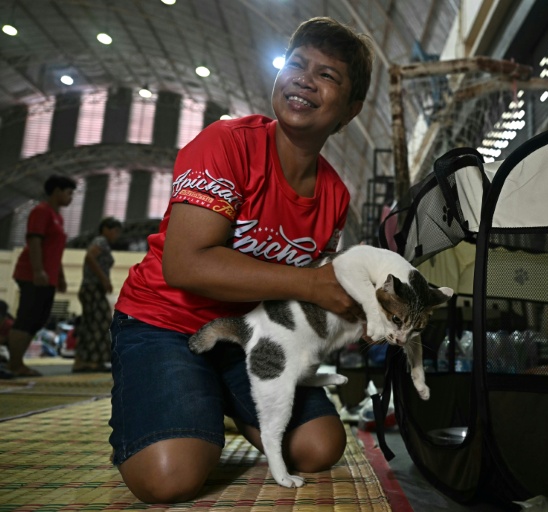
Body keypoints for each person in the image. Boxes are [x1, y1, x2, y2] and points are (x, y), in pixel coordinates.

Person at [109, 17, 374, 503]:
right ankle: (181, 395)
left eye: (327, 75)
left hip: (249, 335)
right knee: (171, 478)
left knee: (319, 447)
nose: (303, 78)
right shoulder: (227, 143)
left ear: (350, 111)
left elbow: (305, 297)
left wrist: (360, 313)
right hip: (165, 322)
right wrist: (313, 285)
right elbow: (185, 266)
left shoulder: (335, 195)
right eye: (296, 64)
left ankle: (222, 394)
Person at [6, 174, 76, 377]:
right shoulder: (41, 211)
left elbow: (55, 251)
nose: (71, 198)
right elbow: (34, 241)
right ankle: (15, 364)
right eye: (68, 193)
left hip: (49, 277)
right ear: (56, 192)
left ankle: (17, 362)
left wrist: (60, 276)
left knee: (39, 319)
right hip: (32, 273)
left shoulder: (58, 217)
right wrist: (38, 270)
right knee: (26, 317)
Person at [73, 217, 122, 373]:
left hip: (92, 287)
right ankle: (91, 361)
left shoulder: (102, 243)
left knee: (90, 323)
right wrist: (103, 278)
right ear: (105, 229)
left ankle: (83, 360)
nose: (117, 235)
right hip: (93, 287)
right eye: (115, 231)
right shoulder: (100, 241)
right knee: (99, 323)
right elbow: (90, 257)